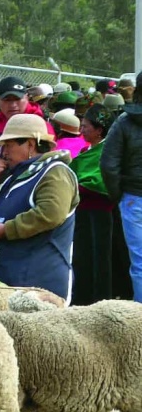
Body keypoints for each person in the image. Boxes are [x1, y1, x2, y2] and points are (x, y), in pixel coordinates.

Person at [0, 114, 79, 412]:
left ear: (32, 144)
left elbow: (50, 214)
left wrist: (6, 230)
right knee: (17, 357)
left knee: (50, 356)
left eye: (11, 143)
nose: (3, 149)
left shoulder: (56, 173)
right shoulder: (16, 175)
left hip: (41, 274)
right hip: (10, 273)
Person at [101, 72, 142, 303]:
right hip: (132, 196)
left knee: (140, 263)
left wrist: (118, 195)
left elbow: (108, 165)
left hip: (134, 199)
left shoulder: (125, 122)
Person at [71, 105, 115, 307]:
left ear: (99, 129)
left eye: (86, 126)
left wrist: (78, 186)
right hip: (82, 211)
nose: (82, 130)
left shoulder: (107, 151)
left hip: (101, 213)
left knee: (100, 258)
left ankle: (101, 301)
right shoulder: (84, 151)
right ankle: (81, 300)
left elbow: (102, 182)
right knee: (82, 256)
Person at [0, 76, 53, 174]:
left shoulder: (41, 126)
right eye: (7, 100)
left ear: (26, 97)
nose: (13, 105)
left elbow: (49, 165)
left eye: (17, 99)